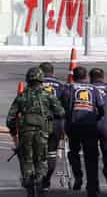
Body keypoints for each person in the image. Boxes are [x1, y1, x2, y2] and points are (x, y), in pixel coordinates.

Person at [6, 67, 65, 197]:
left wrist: (13, 132)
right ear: (41, 80)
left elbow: (10, 118)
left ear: (28, 79)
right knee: (41, 159)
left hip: (25, 133)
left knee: (27, 159)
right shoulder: (48, 95)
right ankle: (40, 182)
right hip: (42, 133)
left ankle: (28, 184)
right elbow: (61, 112)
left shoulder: (22, 97)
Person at [61, 66, 105, 197]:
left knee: (74, 152)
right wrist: (95, 118)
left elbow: (63, 107)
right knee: (91, 156)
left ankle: (78, 176)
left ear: (73, 77)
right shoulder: (94, 89)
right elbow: (101, 109)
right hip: (90, 126)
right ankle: (93, 185)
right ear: (86, 76)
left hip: (74, 125)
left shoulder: (68, 88)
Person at [38, 62, 66, 191]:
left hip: (38, 122)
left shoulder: (35, 84)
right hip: (55, 123)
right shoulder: (61, 86)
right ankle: (47, 179)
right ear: (53, 72)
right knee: (52, 152)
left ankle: (36, 176)